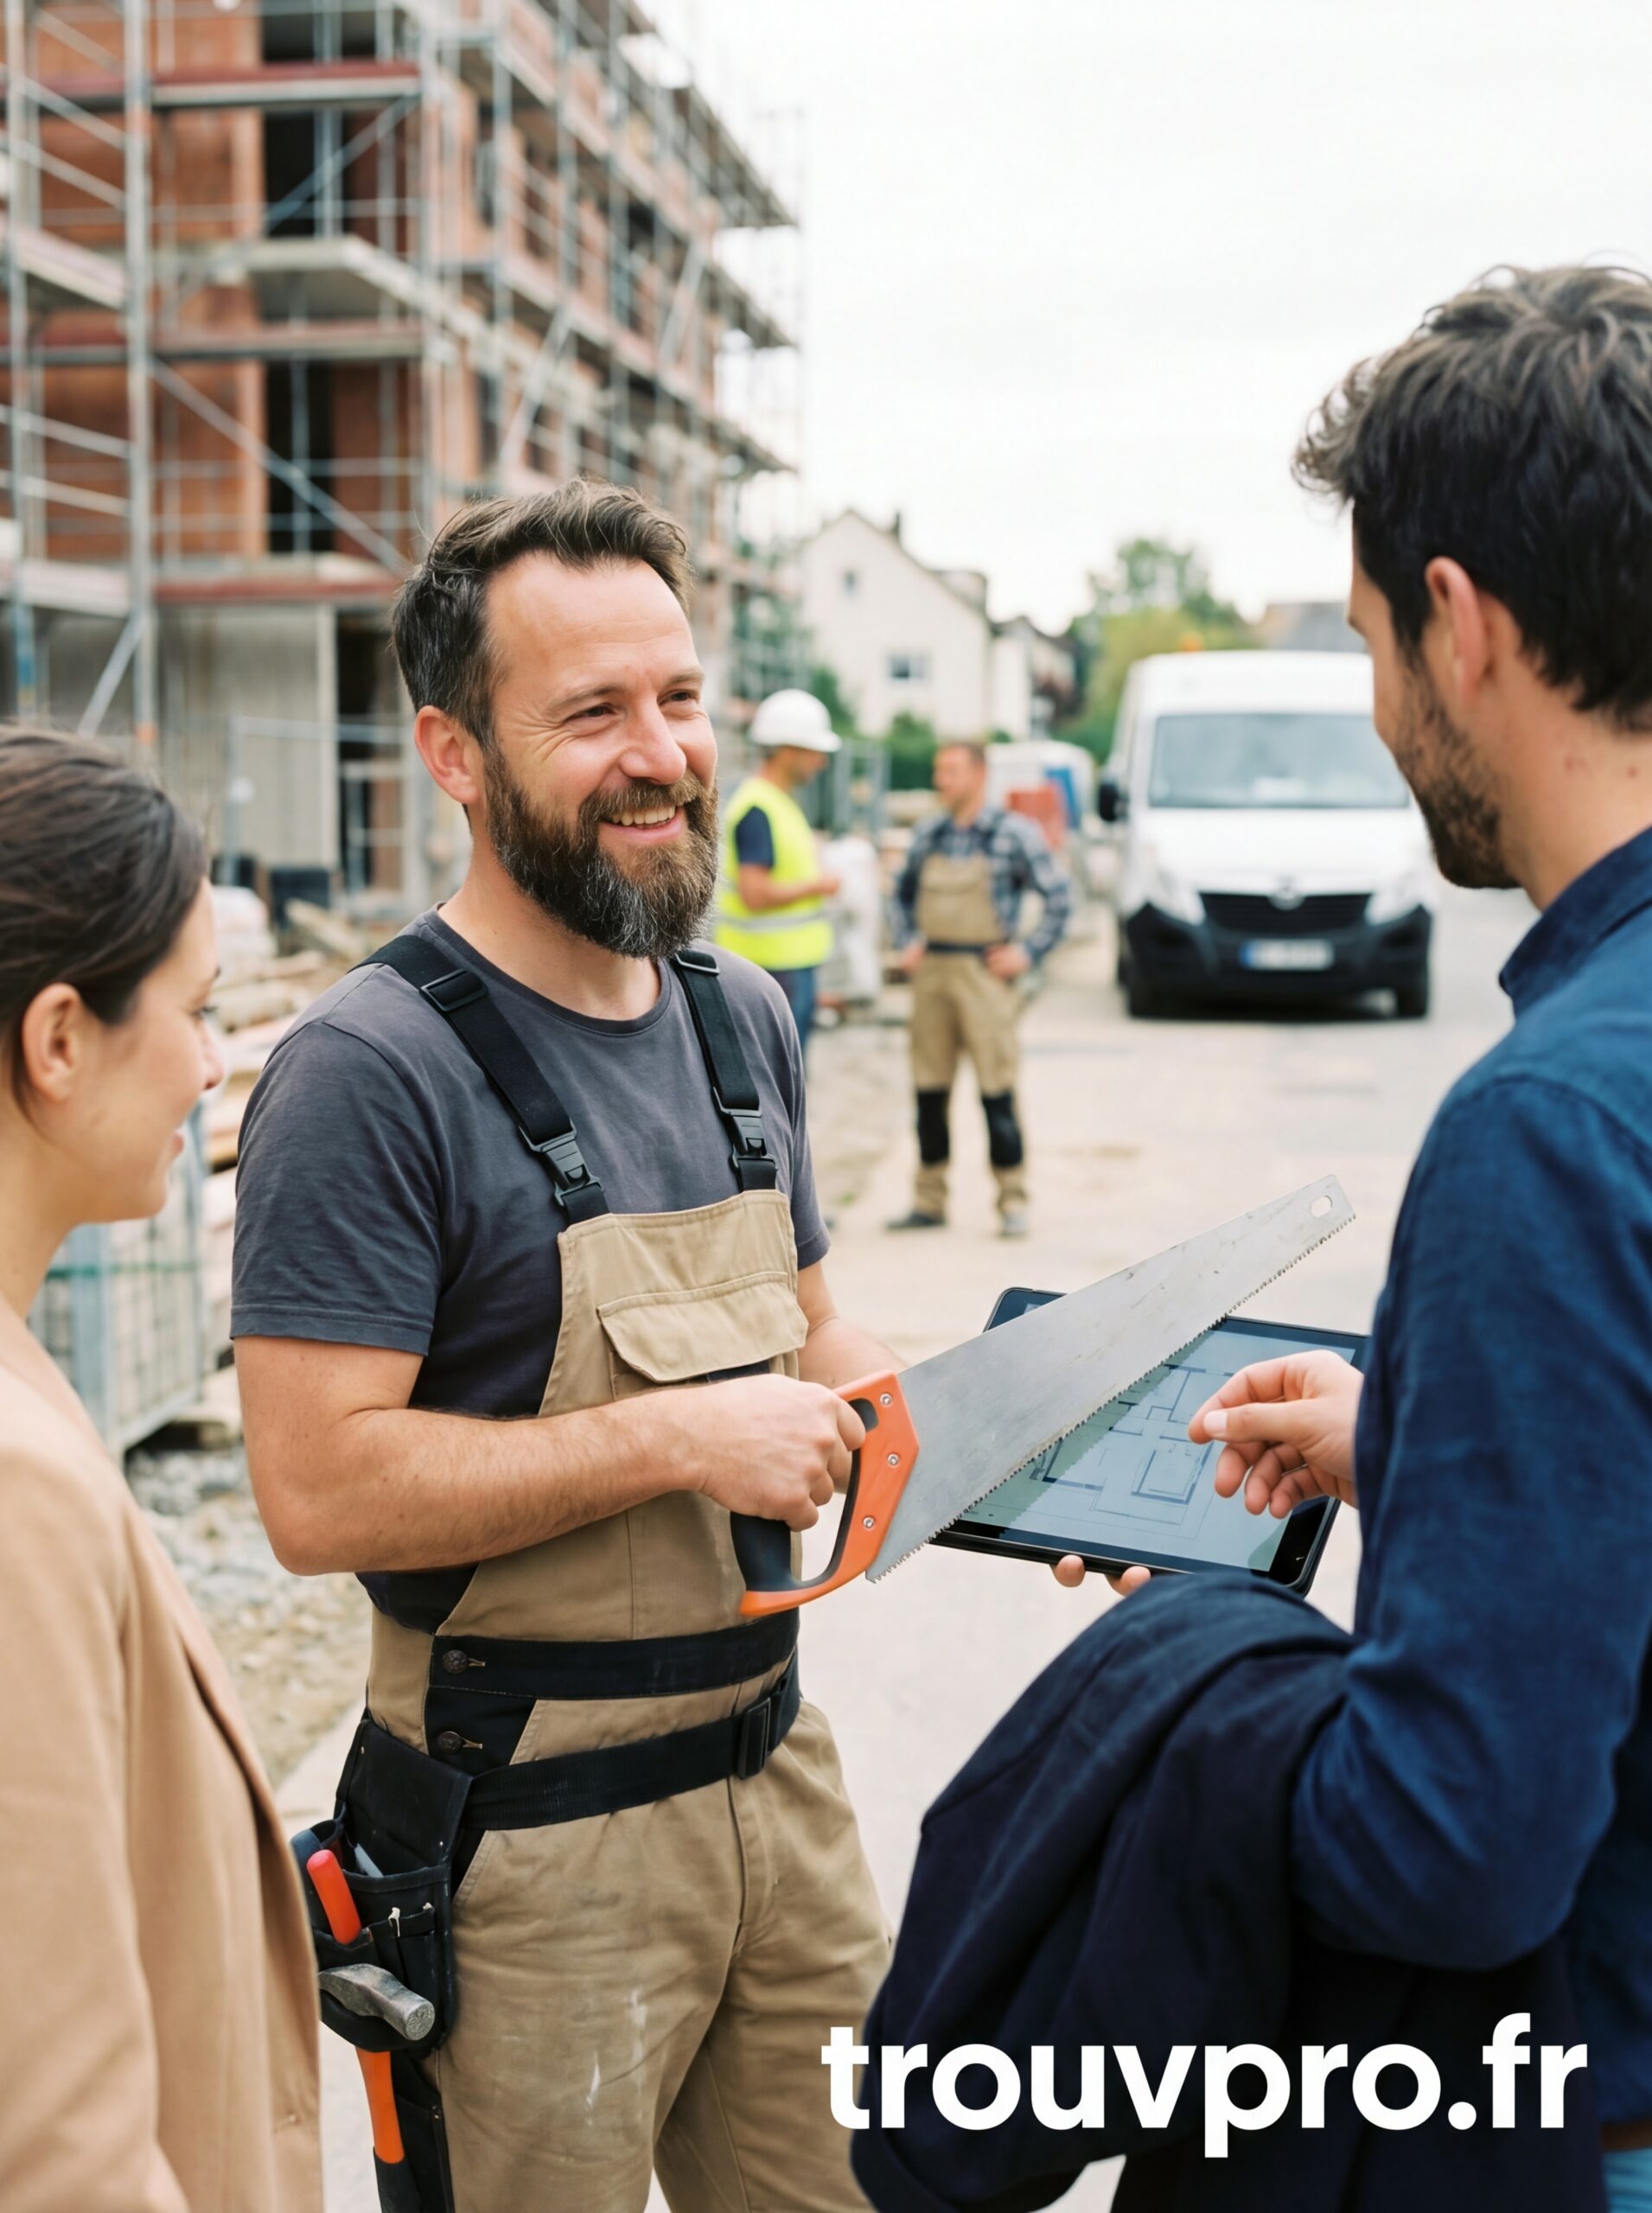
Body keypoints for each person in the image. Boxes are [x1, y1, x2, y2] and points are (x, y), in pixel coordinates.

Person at [231, 485, 894, 2213]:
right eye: (590, 713)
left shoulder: (740, 1015)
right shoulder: (366, 1073)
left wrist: (967, 1436)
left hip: (777, 1784)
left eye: (676, 698)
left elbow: (814, 1321)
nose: (656, 752)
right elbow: (314, 1488)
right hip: (522, 1849)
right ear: (456, 754)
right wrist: (678, 1440)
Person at [1075, 265, 1652, 2210]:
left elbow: (1449, 1845)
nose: (1381, 706)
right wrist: (1422, 1420)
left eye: (1365, 643)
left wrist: (1189, 1684)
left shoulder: (1551, 1125)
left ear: (1457, 624)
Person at [0, 730, 321, 2213]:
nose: (212, 1061)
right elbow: (55, 2143)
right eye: (193, 1012)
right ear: (58, 1041)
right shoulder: (14, 1490)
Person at [887, 739, 1071, 1238]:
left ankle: (1012, 1200)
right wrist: (907, 942)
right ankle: (929, 1199)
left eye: (950, 770)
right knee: (929, 1091)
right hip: (933, 975)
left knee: (997, 1091)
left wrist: (1027, 954)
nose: (940, 779)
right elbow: (900, 896)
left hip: (985, 975)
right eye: (938, 769)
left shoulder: (1013, 834)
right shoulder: (929, 835)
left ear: (979, 775)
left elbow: (1059, 897)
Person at [714, 686, 842, 1055]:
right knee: (779, 1078)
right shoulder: (759, 808)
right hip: (774, 968)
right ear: (789, 751)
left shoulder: (775, 804)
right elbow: (755, 894)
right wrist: (819, 885)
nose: (822, 763)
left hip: (785, 965)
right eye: (816, 752)